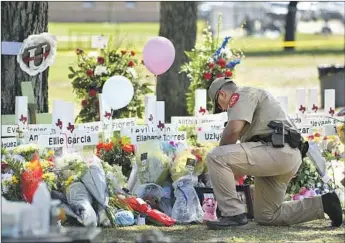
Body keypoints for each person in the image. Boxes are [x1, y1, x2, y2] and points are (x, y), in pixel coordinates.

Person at [205, 77, 343, 230]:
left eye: (219, 105)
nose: (223, 109)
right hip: (285, 154)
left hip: (276, 151)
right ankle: (324, 204)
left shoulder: (241, 94)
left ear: (222, 95)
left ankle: (233, 215)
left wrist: (220, 157)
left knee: (216, 156)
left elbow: (233, 131)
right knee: (267, 215)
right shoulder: (253, 96)